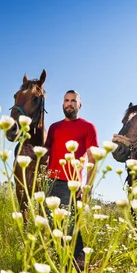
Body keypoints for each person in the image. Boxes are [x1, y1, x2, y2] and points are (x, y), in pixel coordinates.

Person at [44, 90, 98, 262]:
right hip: (50, 182)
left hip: (71, 184)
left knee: (70, 226)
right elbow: (44, 154)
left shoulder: (88, 127)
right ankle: (60, 262)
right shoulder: (54, 127)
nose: (69, 103)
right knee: (53, 225)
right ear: (62, 105)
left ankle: (79, 263)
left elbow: (92, 158)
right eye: (66, 101)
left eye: (73, 101)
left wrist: (88, 186)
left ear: (79, 105)